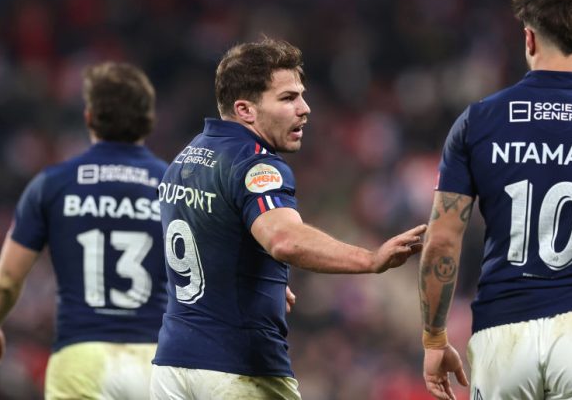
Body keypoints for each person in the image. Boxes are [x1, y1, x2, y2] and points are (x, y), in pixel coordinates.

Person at [419, 0, 572, 400]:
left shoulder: (477, 123)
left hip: (502, 332)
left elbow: (441, 241)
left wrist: (435, 339)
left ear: (528, 39)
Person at [150, 37, 426, 399]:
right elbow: (284, 240)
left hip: (172, 368)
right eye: (288, 98)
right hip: (237, 369)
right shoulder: (254, 162)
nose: (304, 108)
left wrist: (260, 283)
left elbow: (209, 243)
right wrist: (370, 259)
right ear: (245, 110)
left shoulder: (184, 160)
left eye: (301, 95)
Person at [0, 62, 169, 400]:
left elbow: (6, 280)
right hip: (157, 361)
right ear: (149, 120)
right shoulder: (175, 185)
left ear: (89, 117)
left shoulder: (52, 184)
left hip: (81, 359)